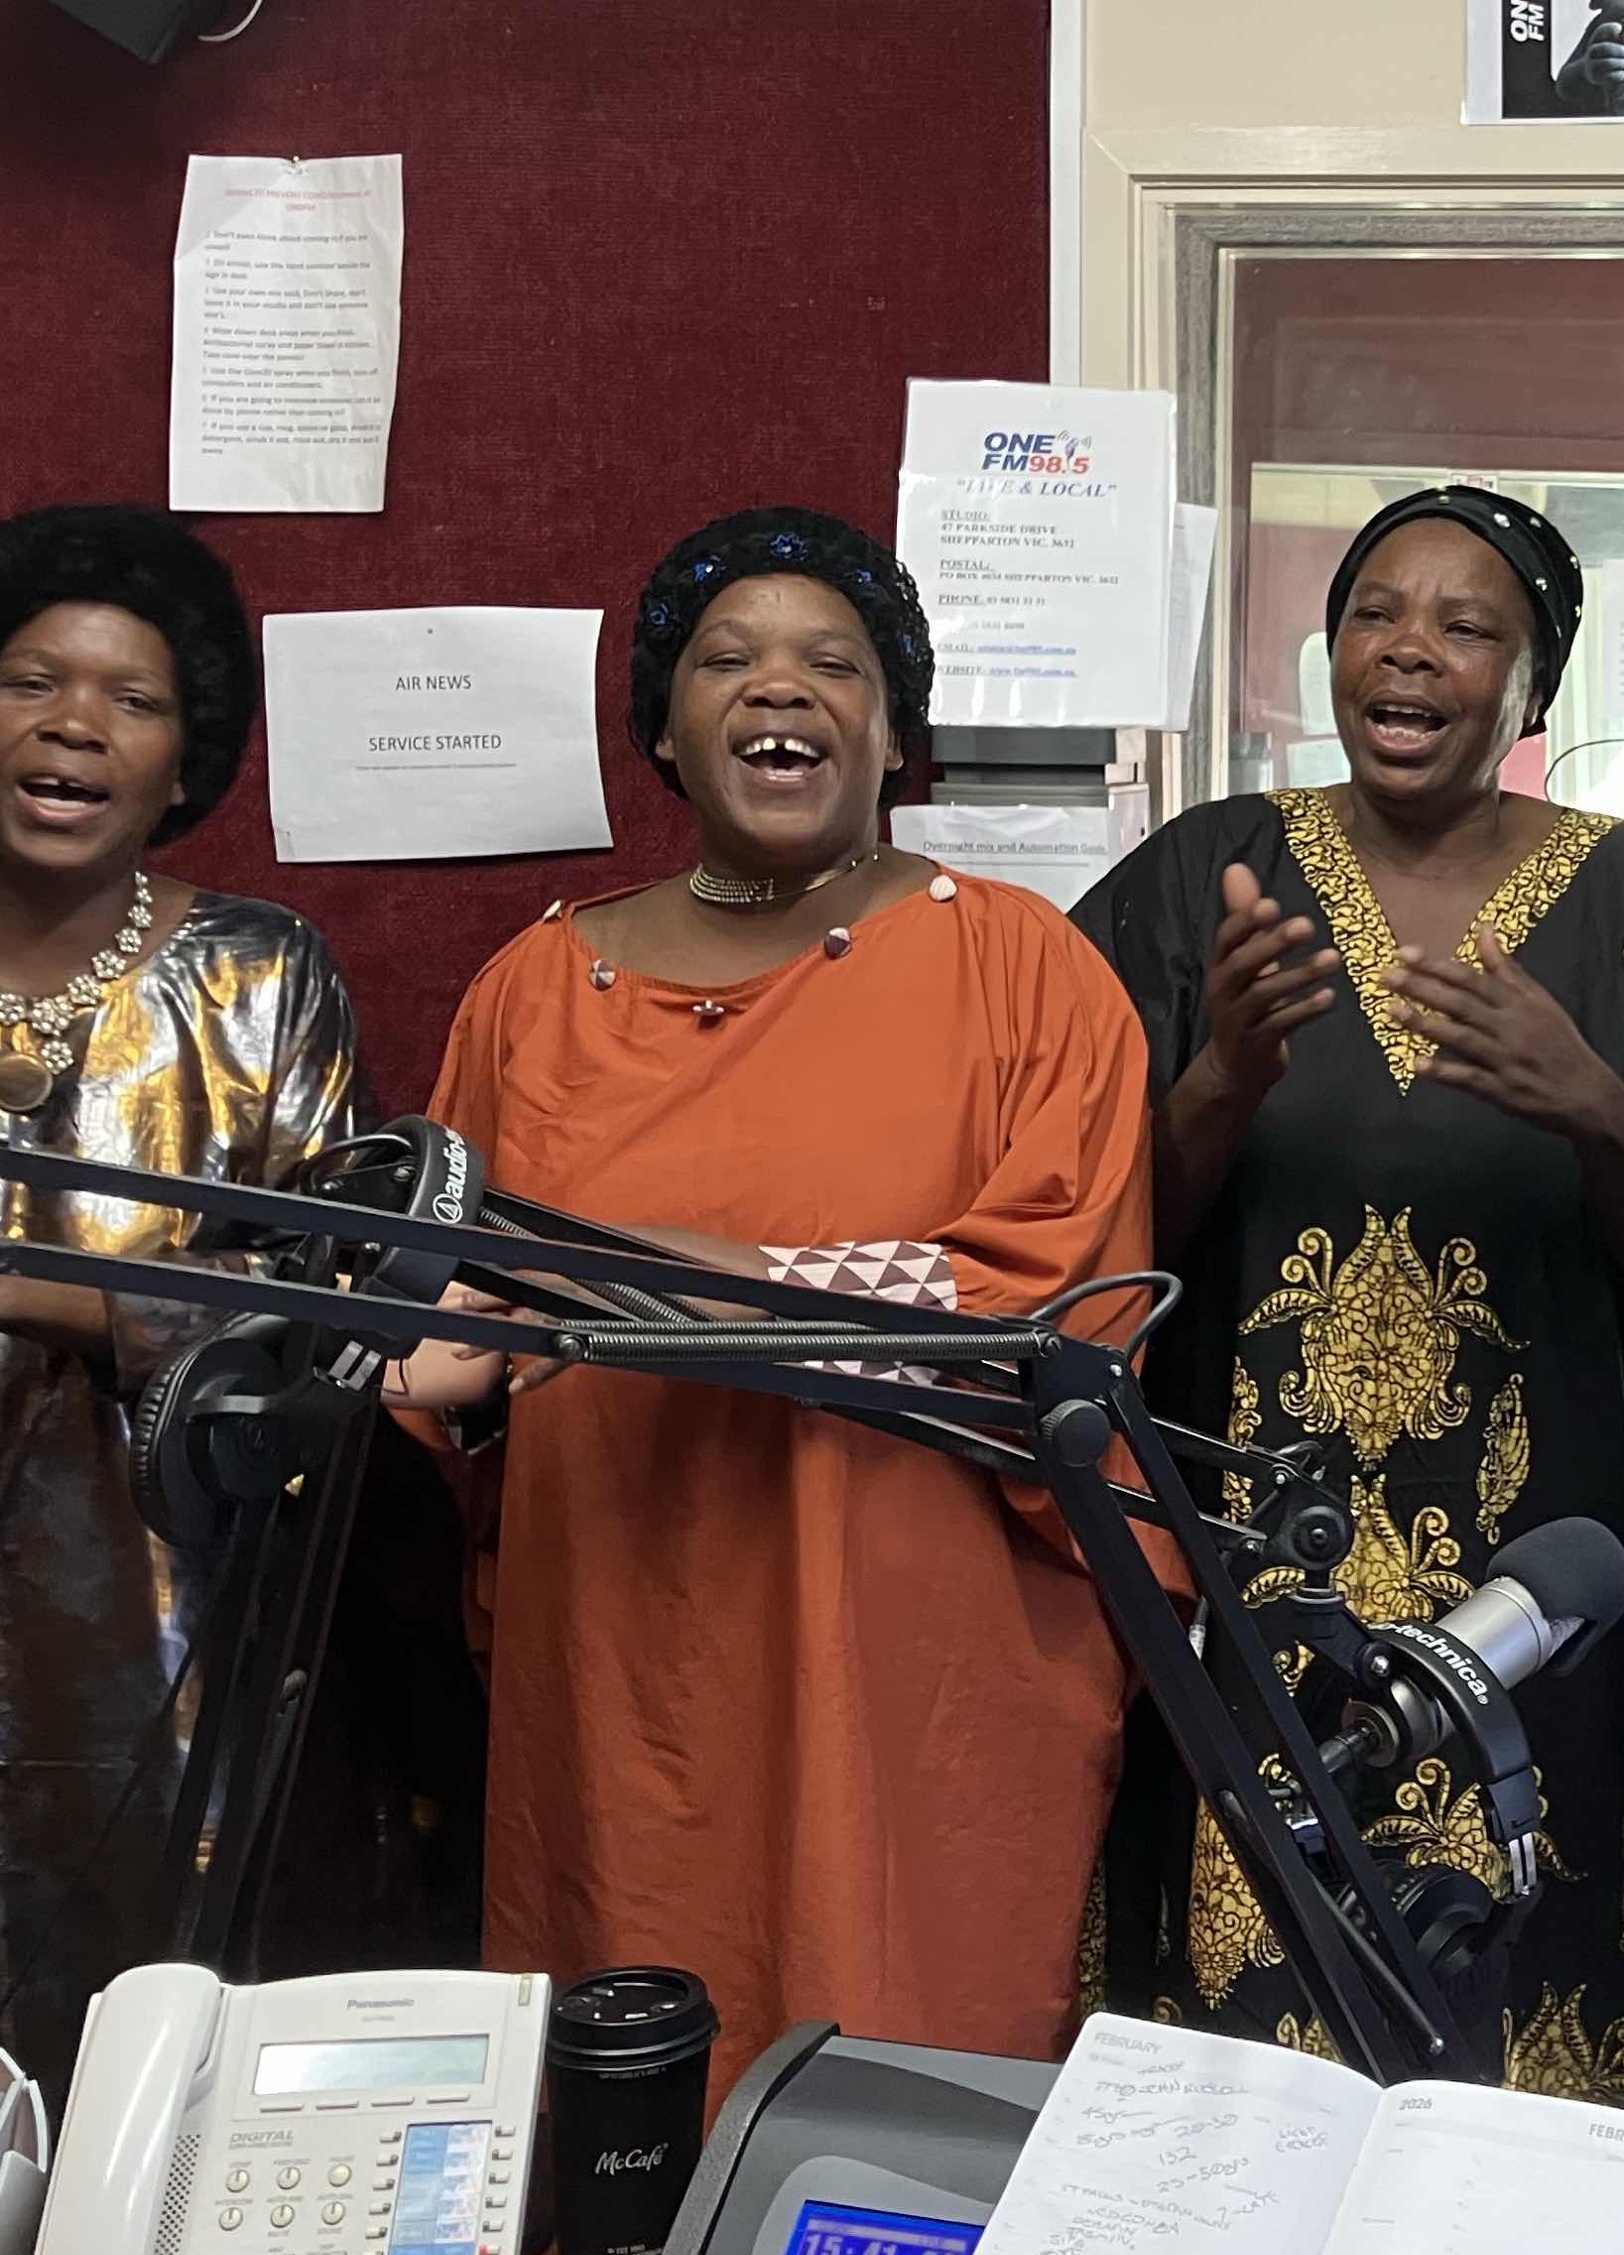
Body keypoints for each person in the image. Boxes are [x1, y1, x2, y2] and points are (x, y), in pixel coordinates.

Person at [394, 506, 1152, 2098]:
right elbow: (452, 1301)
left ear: (896, 724)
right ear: (663, 724)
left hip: (904, 1651)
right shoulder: (533, 988)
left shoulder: (1025, 970)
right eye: (726, 660)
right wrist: (428, 1364)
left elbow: (1048, 1309)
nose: (778, 689)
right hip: (621, 1638)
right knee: (631, 2080)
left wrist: (692, 1276)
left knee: (893, 2107)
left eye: (833, 663)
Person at [1075, 485, 1624, 2118]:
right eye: (1378, 612)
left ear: (1536, 692)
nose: (1413, 650)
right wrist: (1225, 1080)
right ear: (1327, 654)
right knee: (1258, 2012)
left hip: (1549, 1589)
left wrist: (1594, 1102)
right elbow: (1097, 1259)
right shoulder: (1198, 881)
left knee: (1538, 1986)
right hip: (1260, 1580)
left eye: (1469, 628)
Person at [0, 505, 373, 2079]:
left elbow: (320, 1317)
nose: (74, 724)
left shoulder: (260, 975)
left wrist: (44, 1300)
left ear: (184, 755)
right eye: (30, 680)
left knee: (141, 2072)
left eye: (131, 701)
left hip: (165, 1623)